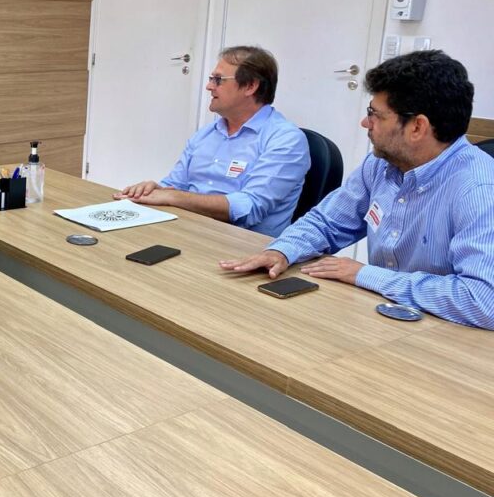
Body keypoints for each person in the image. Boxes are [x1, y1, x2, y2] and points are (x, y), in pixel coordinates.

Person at [221, 50, 494, 329]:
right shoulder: (381, 164)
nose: (365, 123)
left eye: (374, 115)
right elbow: (327, 222)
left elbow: (483, 300)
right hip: (385, 317)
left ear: (417, 127)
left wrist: (365, 275)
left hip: (454, 336)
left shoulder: (479, 190)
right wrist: (281, 251)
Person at [114, 46, 310, 237]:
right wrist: (152, 190)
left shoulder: (286, 140)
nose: (209, 86)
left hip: (241, 245)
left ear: (250, 86)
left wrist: (172, 196)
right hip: (188, 231)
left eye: (218, 80)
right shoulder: (206, 134)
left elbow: (249, 208)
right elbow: (174, 186)